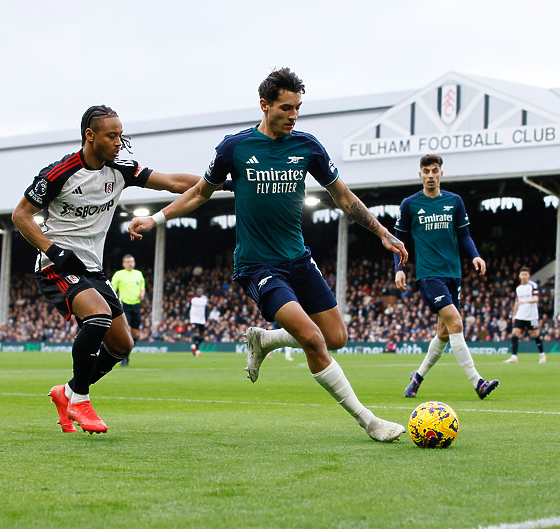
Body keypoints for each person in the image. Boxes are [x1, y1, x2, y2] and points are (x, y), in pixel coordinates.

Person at [130, 68, 409, 443]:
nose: (293, 115)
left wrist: (383, 233)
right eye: (285, 107)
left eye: (298, 108)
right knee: (311, 338)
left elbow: (343, 198)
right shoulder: (235, 148)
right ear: (264, 105)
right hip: (258, 265)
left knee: (336, 337)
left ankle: (266, 340)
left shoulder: (308, 147)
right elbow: (199, 193)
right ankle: (369, 421)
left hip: (299, 259)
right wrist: (157, 218)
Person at [12, 105, 208, 434]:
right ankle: (81, 400)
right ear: (90, 136)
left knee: (122, 345)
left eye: (121, 134)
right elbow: (21, 215)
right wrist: (52, 250)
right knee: (99, 317)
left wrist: (222, 182)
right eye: (112, 135)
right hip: (56, 264)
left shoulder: (122, 168)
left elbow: (174, 182)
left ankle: (67, 392)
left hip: (92, 268)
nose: (119, 141)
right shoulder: (59, 173)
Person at [394, 154, 499, 400]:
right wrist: (399, 268)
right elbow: (399, 241)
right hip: (429, 275)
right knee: (456, 323)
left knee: (443, 333)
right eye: (426, 171)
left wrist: (474, 255)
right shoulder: (410, 204)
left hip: (454, 273)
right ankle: (478, 382)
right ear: (420, 174)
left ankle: (417, 378)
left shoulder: (454, 201)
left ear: (441, 173)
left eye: (434, 170)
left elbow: (464, 234)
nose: (430, 175)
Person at [503, 266, 546, 364]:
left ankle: (542, 354)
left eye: (526, 274)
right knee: (514, 333)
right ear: (519, 276)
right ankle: (514, 357)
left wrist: (524, 301)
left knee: (534, 335)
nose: (524, 276)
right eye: (522, 274)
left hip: (531, 315)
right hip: (520, 315)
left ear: (529, 276)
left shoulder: (533, 285)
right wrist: (514, 315)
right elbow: (516, 302)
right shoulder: (518, 288)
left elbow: (536, 299)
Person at [110, 254, 146, 366]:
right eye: (128, 261)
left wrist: (142, 293)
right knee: (127, 331)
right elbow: (111, 289)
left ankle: (126, 355)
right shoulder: (119, 274)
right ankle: (123, 357)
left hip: (136, 306)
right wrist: (116, 301)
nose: (131, 263)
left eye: (132, 261)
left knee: (135, 334)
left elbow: (142, 287)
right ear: (123, 264)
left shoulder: (138, 274)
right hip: (124, 305)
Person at [188, 287, 209, 356]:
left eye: (201, 291)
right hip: (194, 319)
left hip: (202, 320)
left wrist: (207, 318)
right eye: (198, 291)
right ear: (196, 292)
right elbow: (188, 309)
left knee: (202, 336)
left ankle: (195, 346)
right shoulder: (192, 299)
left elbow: (207, 309)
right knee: (195, 333)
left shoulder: (205, 299)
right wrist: (186, 317)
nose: (200, 292)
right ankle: (196, 349)